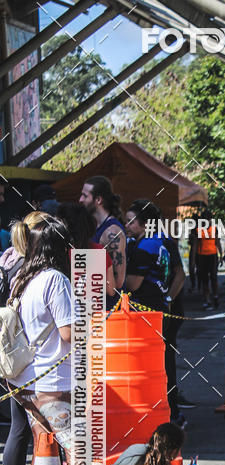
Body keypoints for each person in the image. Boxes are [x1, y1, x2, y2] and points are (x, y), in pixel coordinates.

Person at [6, 214, 145, 465]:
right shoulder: (55, 279)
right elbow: (69, 333)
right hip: (55, 385)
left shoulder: (23, 279)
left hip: (29, 385)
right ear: (60, 247)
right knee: (81, 459)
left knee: (48, 455)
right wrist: (93, 324)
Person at [0, 212, 49, 465]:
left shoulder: (6, 260)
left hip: (11, 356)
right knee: (47, 430)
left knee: (18, 429)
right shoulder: (35, 268)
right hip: (35, 358)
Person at [124, 200, 188, 422]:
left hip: (150, 312)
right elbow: (180, 274)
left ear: (145, 224)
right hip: (164, 310)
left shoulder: (145, 246)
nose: (126, 225)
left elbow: (133, 284)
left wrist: (113, 278)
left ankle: (163, 414)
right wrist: (168, 298)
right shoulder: (164, 240)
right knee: (164, 363)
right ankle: (172, 412)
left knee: (154, 366)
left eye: (130, 221)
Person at [79, 175, 126, 307]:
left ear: (98, 200)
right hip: (94, 308)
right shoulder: (93, 226)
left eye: (85, 196)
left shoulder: (112, 232)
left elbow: (117, 282)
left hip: (110, 310)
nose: (80, 199)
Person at [56, 202, 116, 301]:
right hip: (94, 308)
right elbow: (111, 290)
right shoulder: (99, 251)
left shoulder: (59, 253)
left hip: (68, 307)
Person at [189, 209, 223, 309]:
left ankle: (215, 296)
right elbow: (195, 245)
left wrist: (221, 255)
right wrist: (193, 260)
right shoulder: (198, 230)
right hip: (201, 257)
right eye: (204, 219)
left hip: (213, 256)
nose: (206, 221)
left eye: (208, 219)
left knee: (214, 278)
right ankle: (207, 300)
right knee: (204, 279)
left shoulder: (214, 229)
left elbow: (217, 242)